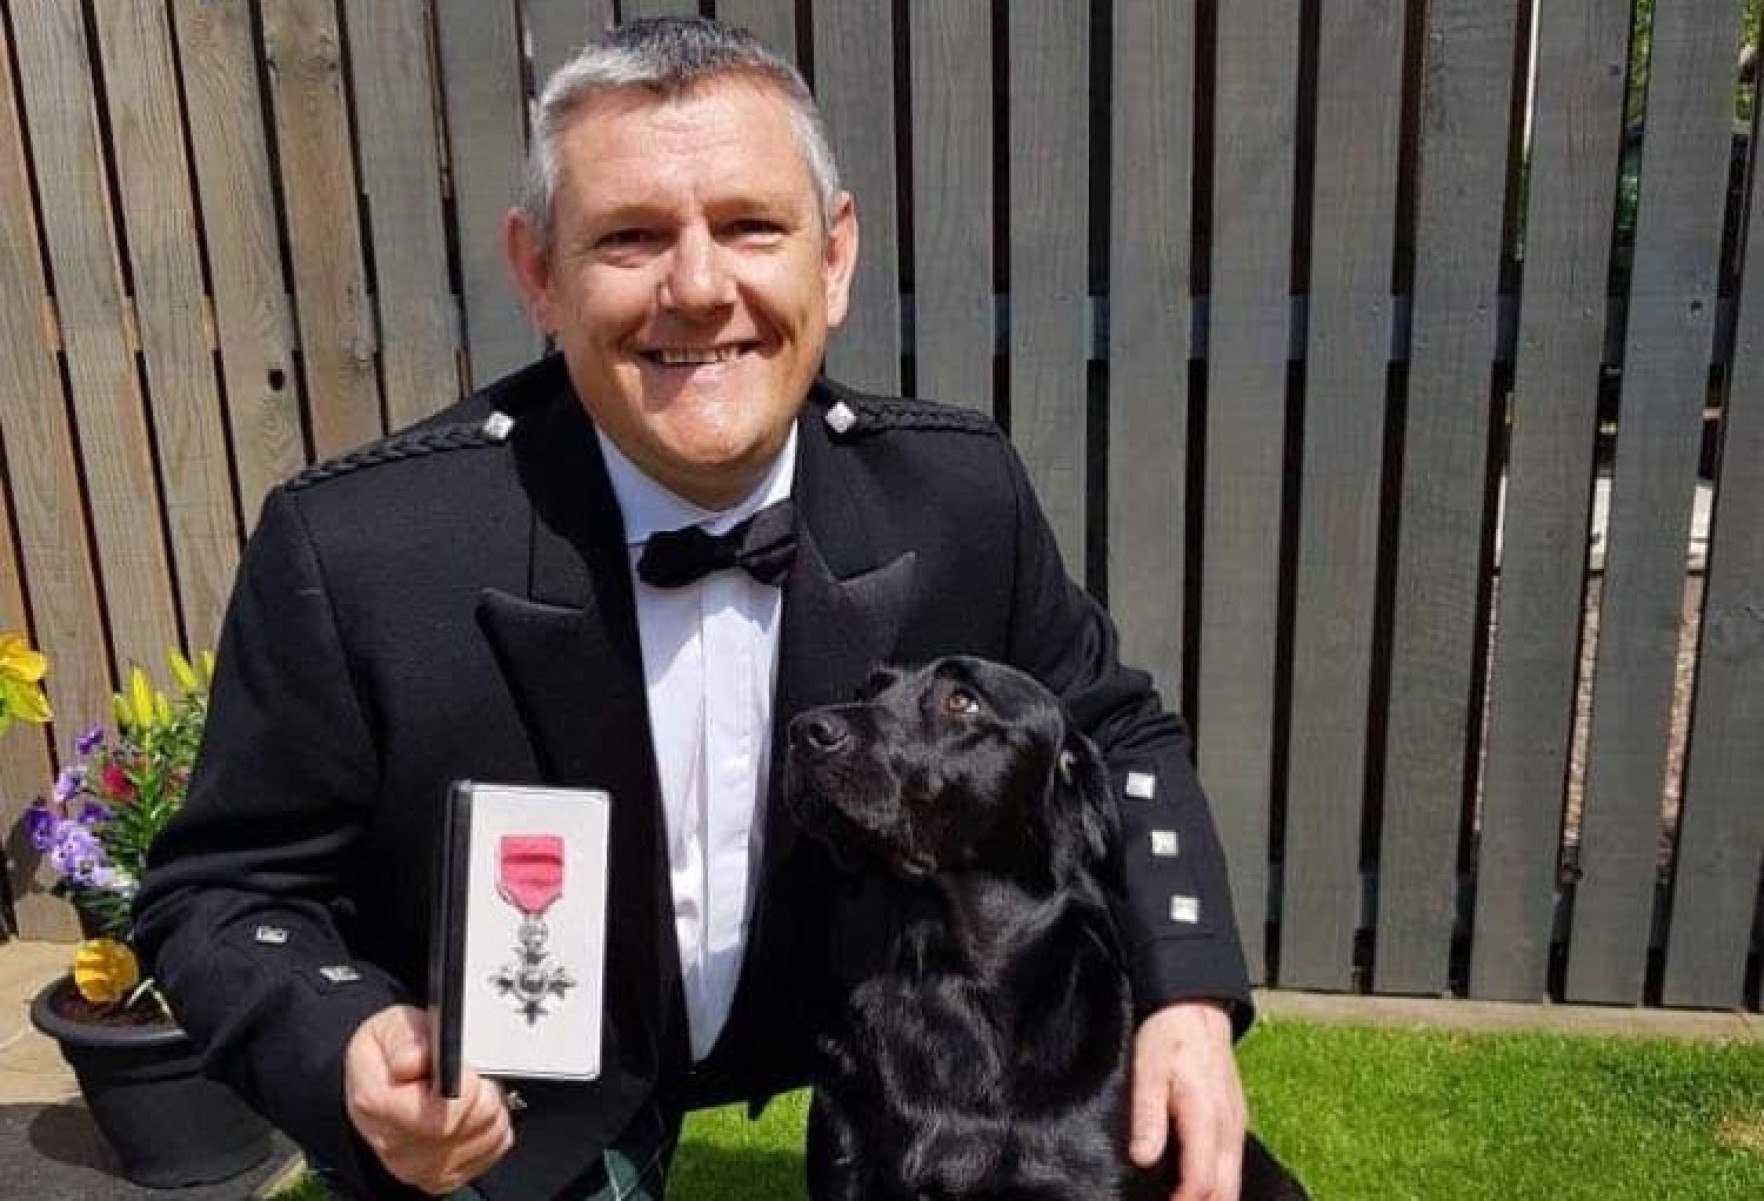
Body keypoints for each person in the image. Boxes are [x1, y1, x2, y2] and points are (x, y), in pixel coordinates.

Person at [134, 17, 1253, 1201]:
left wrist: (1185, 989)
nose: (700, 288)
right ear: (538, 273)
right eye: (630, 237)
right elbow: (225, 889)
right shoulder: (360, 546)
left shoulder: (957, 492)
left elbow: (1112, 732)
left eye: (750, 227)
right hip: (515, 1094)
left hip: (842, 1037)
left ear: (834, 256)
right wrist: (347, 1041)